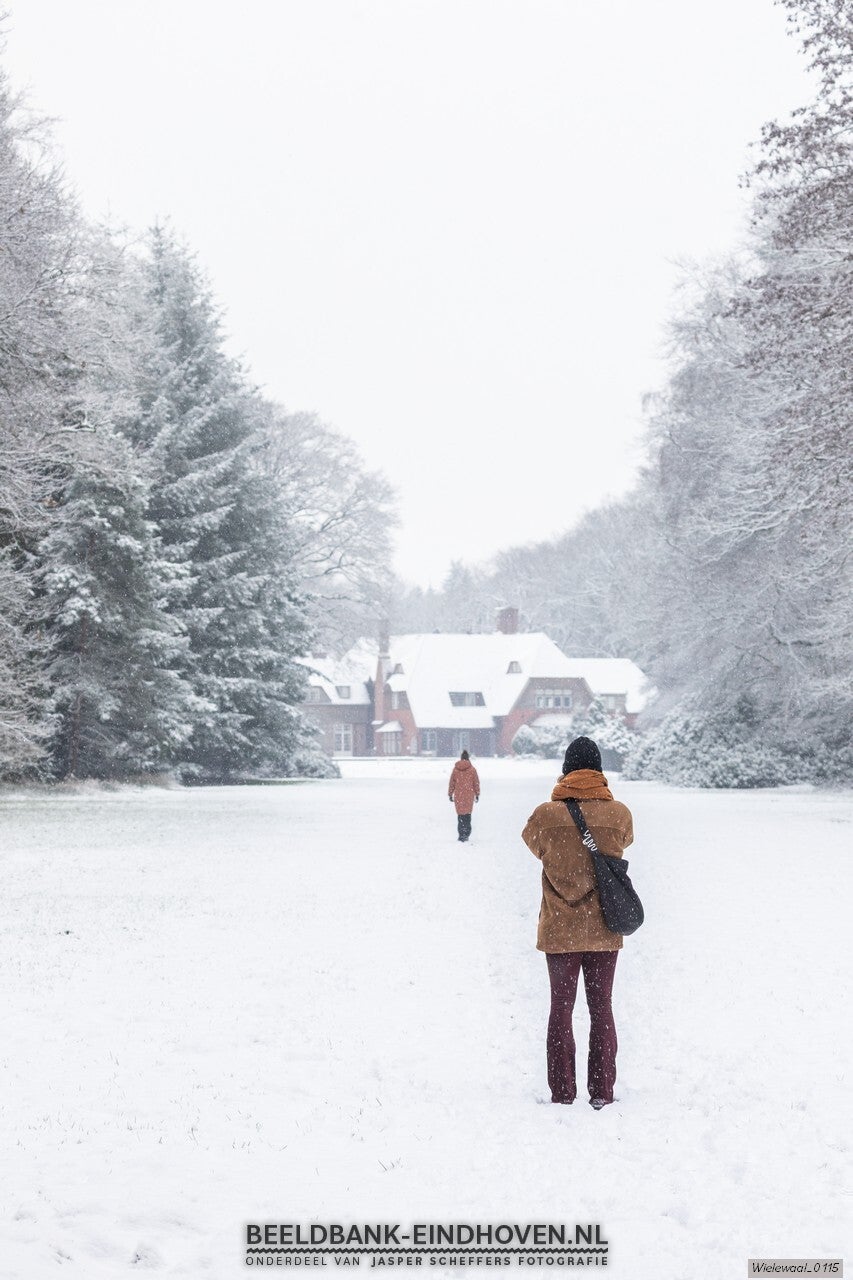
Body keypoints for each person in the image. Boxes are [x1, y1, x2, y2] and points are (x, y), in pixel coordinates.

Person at [521, 735, 634, 1108]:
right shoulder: (619, 814)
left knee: (561, 1008)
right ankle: (601, 1091)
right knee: (601, 1007)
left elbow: (534, 845)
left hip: (559, 929)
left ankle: (562, 1091)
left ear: (566, 769)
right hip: (604, 927)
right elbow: (625, 841)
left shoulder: (544, 816)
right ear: (598, 770)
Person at [448, 749, 480, 842]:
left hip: (459, 795)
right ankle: (466, 833)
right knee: (467, 815)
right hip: (469, 795)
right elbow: (476, 783)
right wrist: (477, 794)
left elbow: (452, 783)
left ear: (461, 758)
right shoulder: (472, 770)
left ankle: (461, 834)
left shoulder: (455, 770)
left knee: (460, 816)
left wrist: (450, 793)